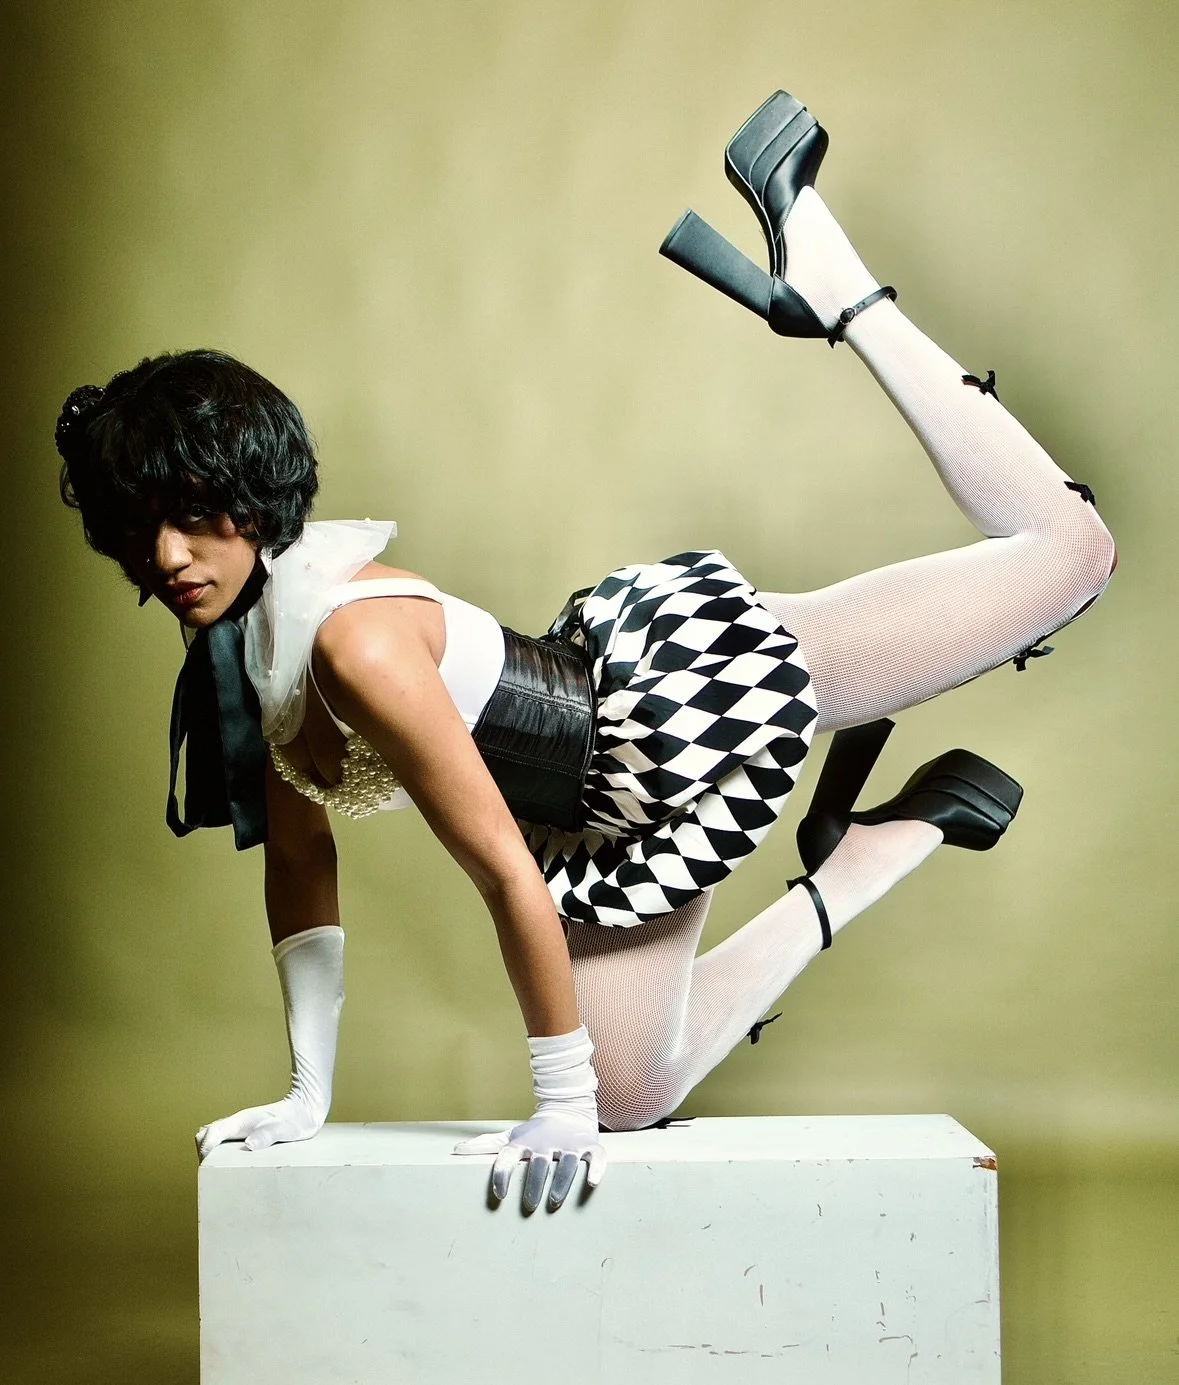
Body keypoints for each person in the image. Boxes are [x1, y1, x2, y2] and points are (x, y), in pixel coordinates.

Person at [54, 89, 1115, 1214]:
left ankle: (835, 280)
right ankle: (860, 855)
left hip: (684, 699)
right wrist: (307, 1093)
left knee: (1070, 551)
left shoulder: (352, 637)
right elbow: (300, 864)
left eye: (195, 514)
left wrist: (548, 1098)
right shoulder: (251, 652)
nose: (170, 553)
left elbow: (503, 863)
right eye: (143, 528)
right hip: (609, 804)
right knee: (631, 1089)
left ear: (250, 496)